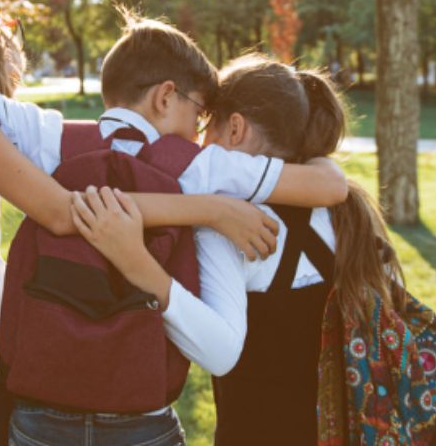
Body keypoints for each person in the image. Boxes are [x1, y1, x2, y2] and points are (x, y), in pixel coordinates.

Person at [0, 13, 348, 445]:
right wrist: (211, 209)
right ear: (166, 96)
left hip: (36, 405)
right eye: (199, 113)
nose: (198, 131)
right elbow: (329, 187)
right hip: (138, 407)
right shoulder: (204, 168)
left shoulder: (51, 136)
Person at [69, 54, 402, 445]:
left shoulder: (231, 226)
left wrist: (137, 265)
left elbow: (217, 350)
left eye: (205, 125)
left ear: (235, 129)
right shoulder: (347, 215)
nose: (197, 140)